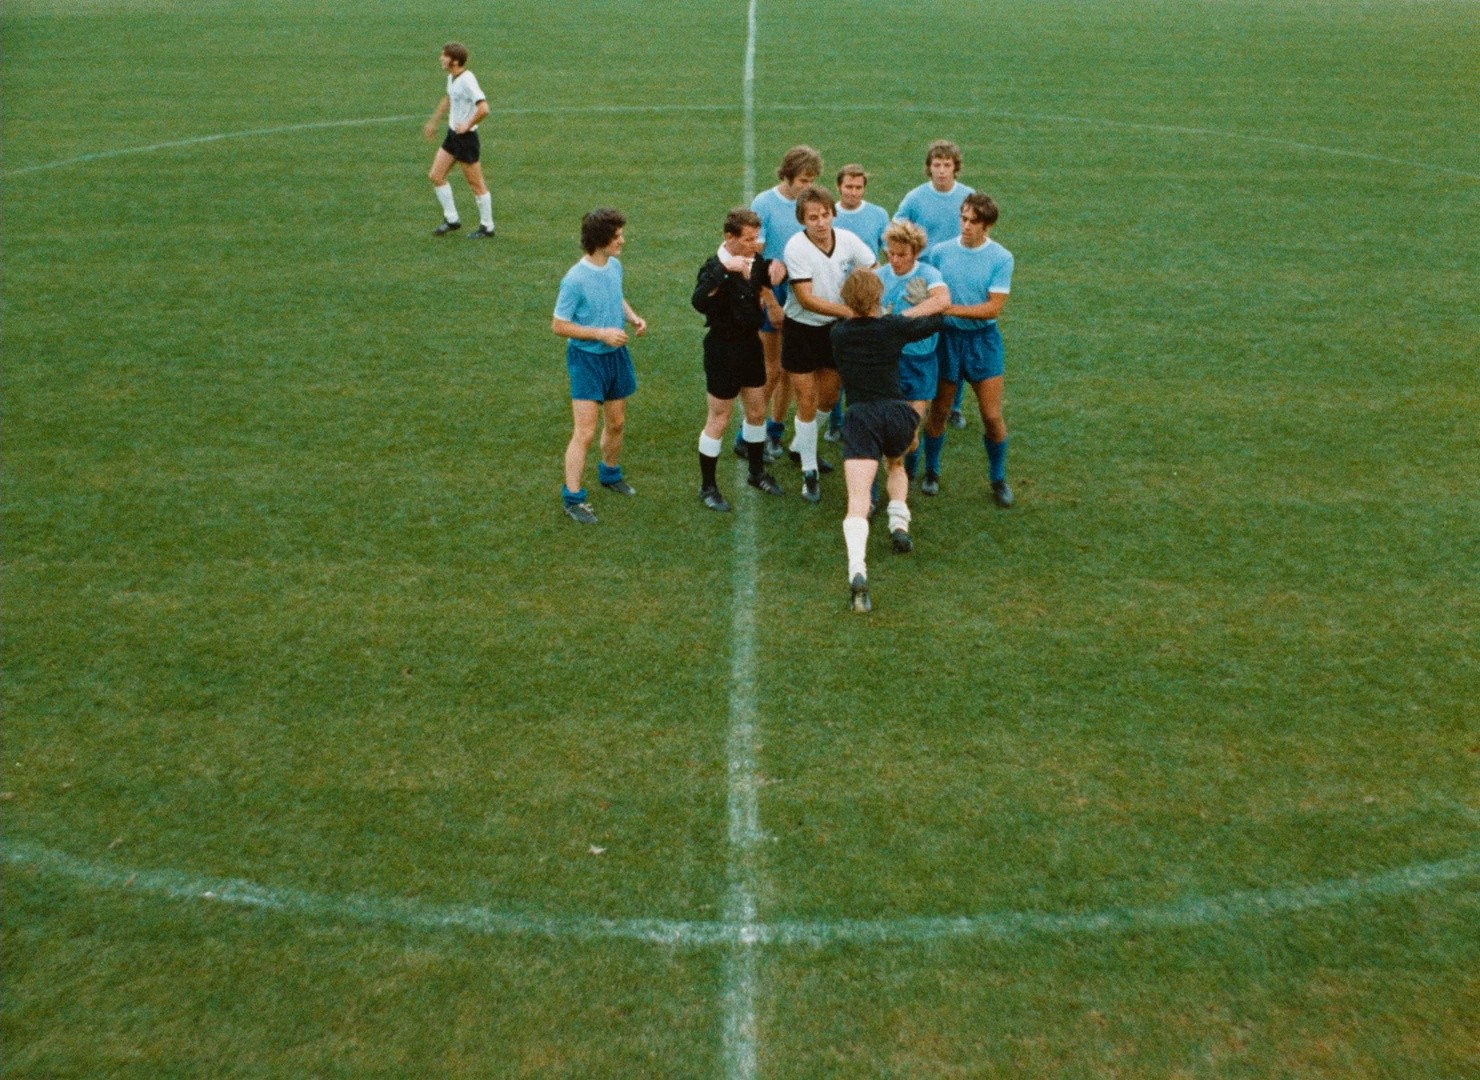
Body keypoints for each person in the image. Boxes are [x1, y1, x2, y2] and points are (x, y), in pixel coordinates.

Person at [830, 269, 945, 612]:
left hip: (861, 416)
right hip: (897, 414)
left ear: (847, 300)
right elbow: (937, 319)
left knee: (857, 502)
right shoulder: (892, 328)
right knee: (896, 463)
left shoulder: (838, 334)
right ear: (879, 297)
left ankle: (857, 572)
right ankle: (899, 523)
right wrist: (918, 305)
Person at [781, 185, 878, 504]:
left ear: (833, 213)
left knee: (830, 396)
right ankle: (809, 469)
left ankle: (800, 445)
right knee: (806, 399)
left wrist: (866, 293)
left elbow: (873, 266)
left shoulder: (847, 239)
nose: (821, 223)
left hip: (835, 330)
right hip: (802, 329)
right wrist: (852, 310)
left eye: (825, 215)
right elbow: (806, 299)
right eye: (813, 217)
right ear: (802, 220)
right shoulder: (795, 247)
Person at [551, 209, 648, 524]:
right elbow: (559, 325)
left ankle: (610, 473)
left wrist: (632, 317)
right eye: (617, 236)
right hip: (587, 360)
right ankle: (573, 498)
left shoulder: (614, 266)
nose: (623, 240)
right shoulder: (575, 279)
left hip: (616, 355)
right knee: (585, 432)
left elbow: (616, 297)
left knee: (617, 422)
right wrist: (600, 333)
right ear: (600, 240)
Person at [920, 193, 1015, 506]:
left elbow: (992, 309)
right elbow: (926, 288)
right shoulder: (940, 252)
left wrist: (949, 309)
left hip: (983, 343)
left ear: (987, 225)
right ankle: (931, 471)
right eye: (963, 218)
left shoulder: (1002, 258)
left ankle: (998, 477)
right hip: (947, 341)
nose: (966, 226)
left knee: (991, 415)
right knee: (940, 411)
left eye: (973, 221)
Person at [690, 208, 788, 511]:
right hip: (722, 349)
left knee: (757, 412)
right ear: (729, 238)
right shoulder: (712, 267)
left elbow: (763, 282)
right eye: (748, 239)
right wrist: (726, 270)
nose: (755, 244)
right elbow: (698, 301)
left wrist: (776, 272)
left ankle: (756, 473)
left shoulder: (756, 260)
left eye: (757, 238)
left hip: (750, 346)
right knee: (719, 418)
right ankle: (708, 487)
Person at [744, 146, 822, 461]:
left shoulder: (810, 205)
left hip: (801, 288)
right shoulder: (765, 203)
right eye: (803, 180)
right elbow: (755, 257)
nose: (808, 186)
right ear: (787, 175)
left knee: (794, 368)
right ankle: (751, 433)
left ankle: (775, 430)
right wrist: (769, 302)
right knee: (772, 368)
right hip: (771, 291)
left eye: (812, 180)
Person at [895, 139, 975, 427]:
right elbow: (896, 229)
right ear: (929, 168)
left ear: (956, 168)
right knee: (927, 335)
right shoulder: (915, 198)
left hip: (957, 276)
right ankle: (919, 395)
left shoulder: (968, 196)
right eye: (937, 165)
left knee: (955, 336)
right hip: (926, 279)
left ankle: (954, 405)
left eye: (947, 165)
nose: (942, 170)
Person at [875, 221, 951, 480]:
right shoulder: (879, 276)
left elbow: (943, 300)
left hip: (920, 361)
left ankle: (909, 471)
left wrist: (907, 315)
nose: (895, 260)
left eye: (902, 255)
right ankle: (892, 483)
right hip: (888, 363)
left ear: (916, 253)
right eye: (891, 253)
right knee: (887, 429)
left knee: (909, 433)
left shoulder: (928, 274)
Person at [826, 164, 891, 441]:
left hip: (866, 298)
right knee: (836, 361)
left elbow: (886, 253)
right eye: (848, 186)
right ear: (839, 187)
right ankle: (835, 420)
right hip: (835, 296)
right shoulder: (829, 214)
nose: (853, 192)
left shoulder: (878, 214)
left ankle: (857, 417)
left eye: (858, 187)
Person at [423, 42, 496, 239]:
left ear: (455, 61)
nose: (441, 58)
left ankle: (487, 227)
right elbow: (449, 98)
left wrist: (467, 124)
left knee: (476, 184)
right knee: (436, 176)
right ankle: (452, 219)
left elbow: (484, 108)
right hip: (453, 137)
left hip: (466, 139)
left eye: (444, 56)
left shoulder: (467, 80)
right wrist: (434, 121)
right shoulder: (452, 78)